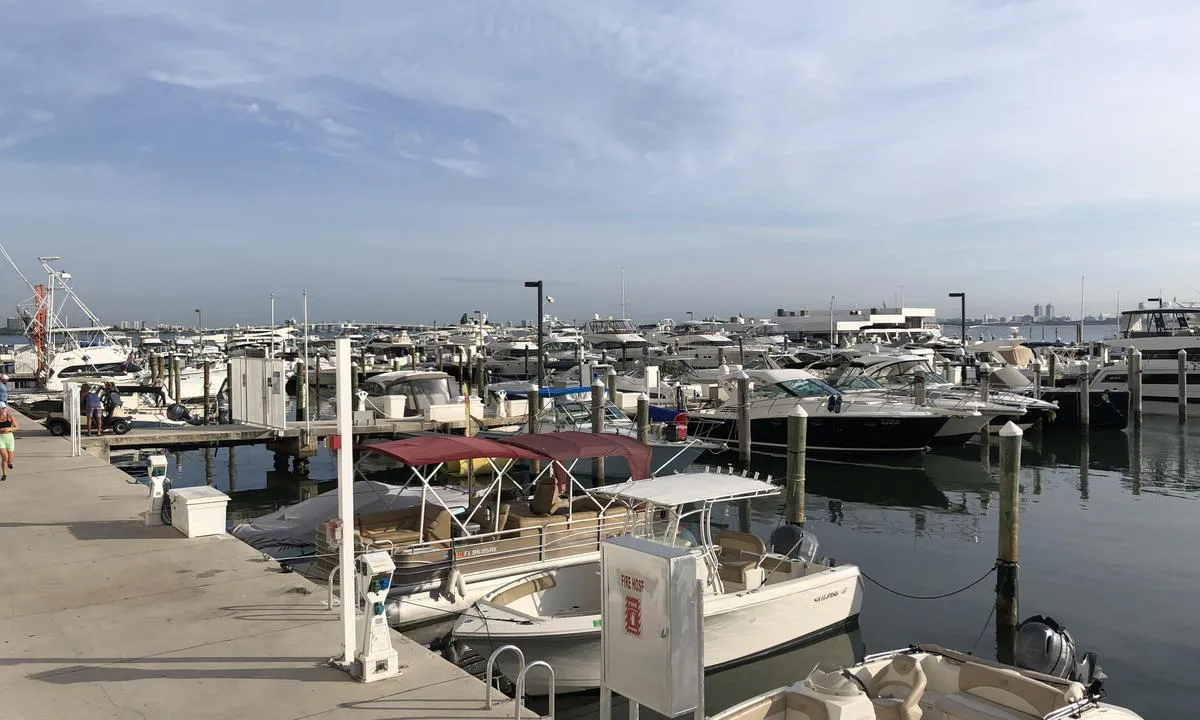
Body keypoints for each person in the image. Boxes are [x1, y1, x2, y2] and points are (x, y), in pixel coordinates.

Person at [0, 405, 18, 481]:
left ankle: (9, 462)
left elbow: (17, 427)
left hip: (9, 438)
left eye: (4, 408)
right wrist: (1, 430)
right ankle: (4, 474)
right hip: (0, 438)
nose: (4, 409)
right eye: (2, 408)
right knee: (4, 457)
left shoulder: (10, 416)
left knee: (9, 458)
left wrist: (10, 429)